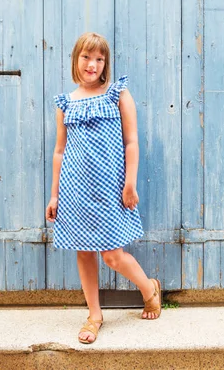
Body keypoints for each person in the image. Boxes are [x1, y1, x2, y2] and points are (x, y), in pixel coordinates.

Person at [46, 32, 161, 345]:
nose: (92, 64)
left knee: (112, 255)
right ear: (76, 60)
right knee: (84, 253)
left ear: (105, 63)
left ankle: (150, 289)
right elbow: (60, 151)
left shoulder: (117, 94)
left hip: (110, 188)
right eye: (86, 57)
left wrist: (130, 182)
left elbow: (131, 141)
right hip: (74, 189)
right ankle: (94, 315)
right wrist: (55, 194)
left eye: (99, 59)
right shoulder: (65, 103)